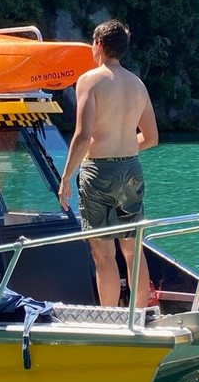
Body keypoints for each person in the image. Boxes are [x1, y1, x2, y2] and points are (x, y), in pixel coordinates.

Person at [58, 19, 159, 308]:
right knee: (132, 250)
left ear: (100, 44)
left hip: (98, 173)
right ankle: (137, 316)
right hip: (130, 170)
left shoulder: (91, 80)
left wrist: (66, 177)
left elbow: (82, 134)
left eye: (93, 41)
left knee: (103, 254)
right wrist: (124, 146)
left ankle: (111, 318)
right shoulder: (137, 85)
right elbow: (151, 138)